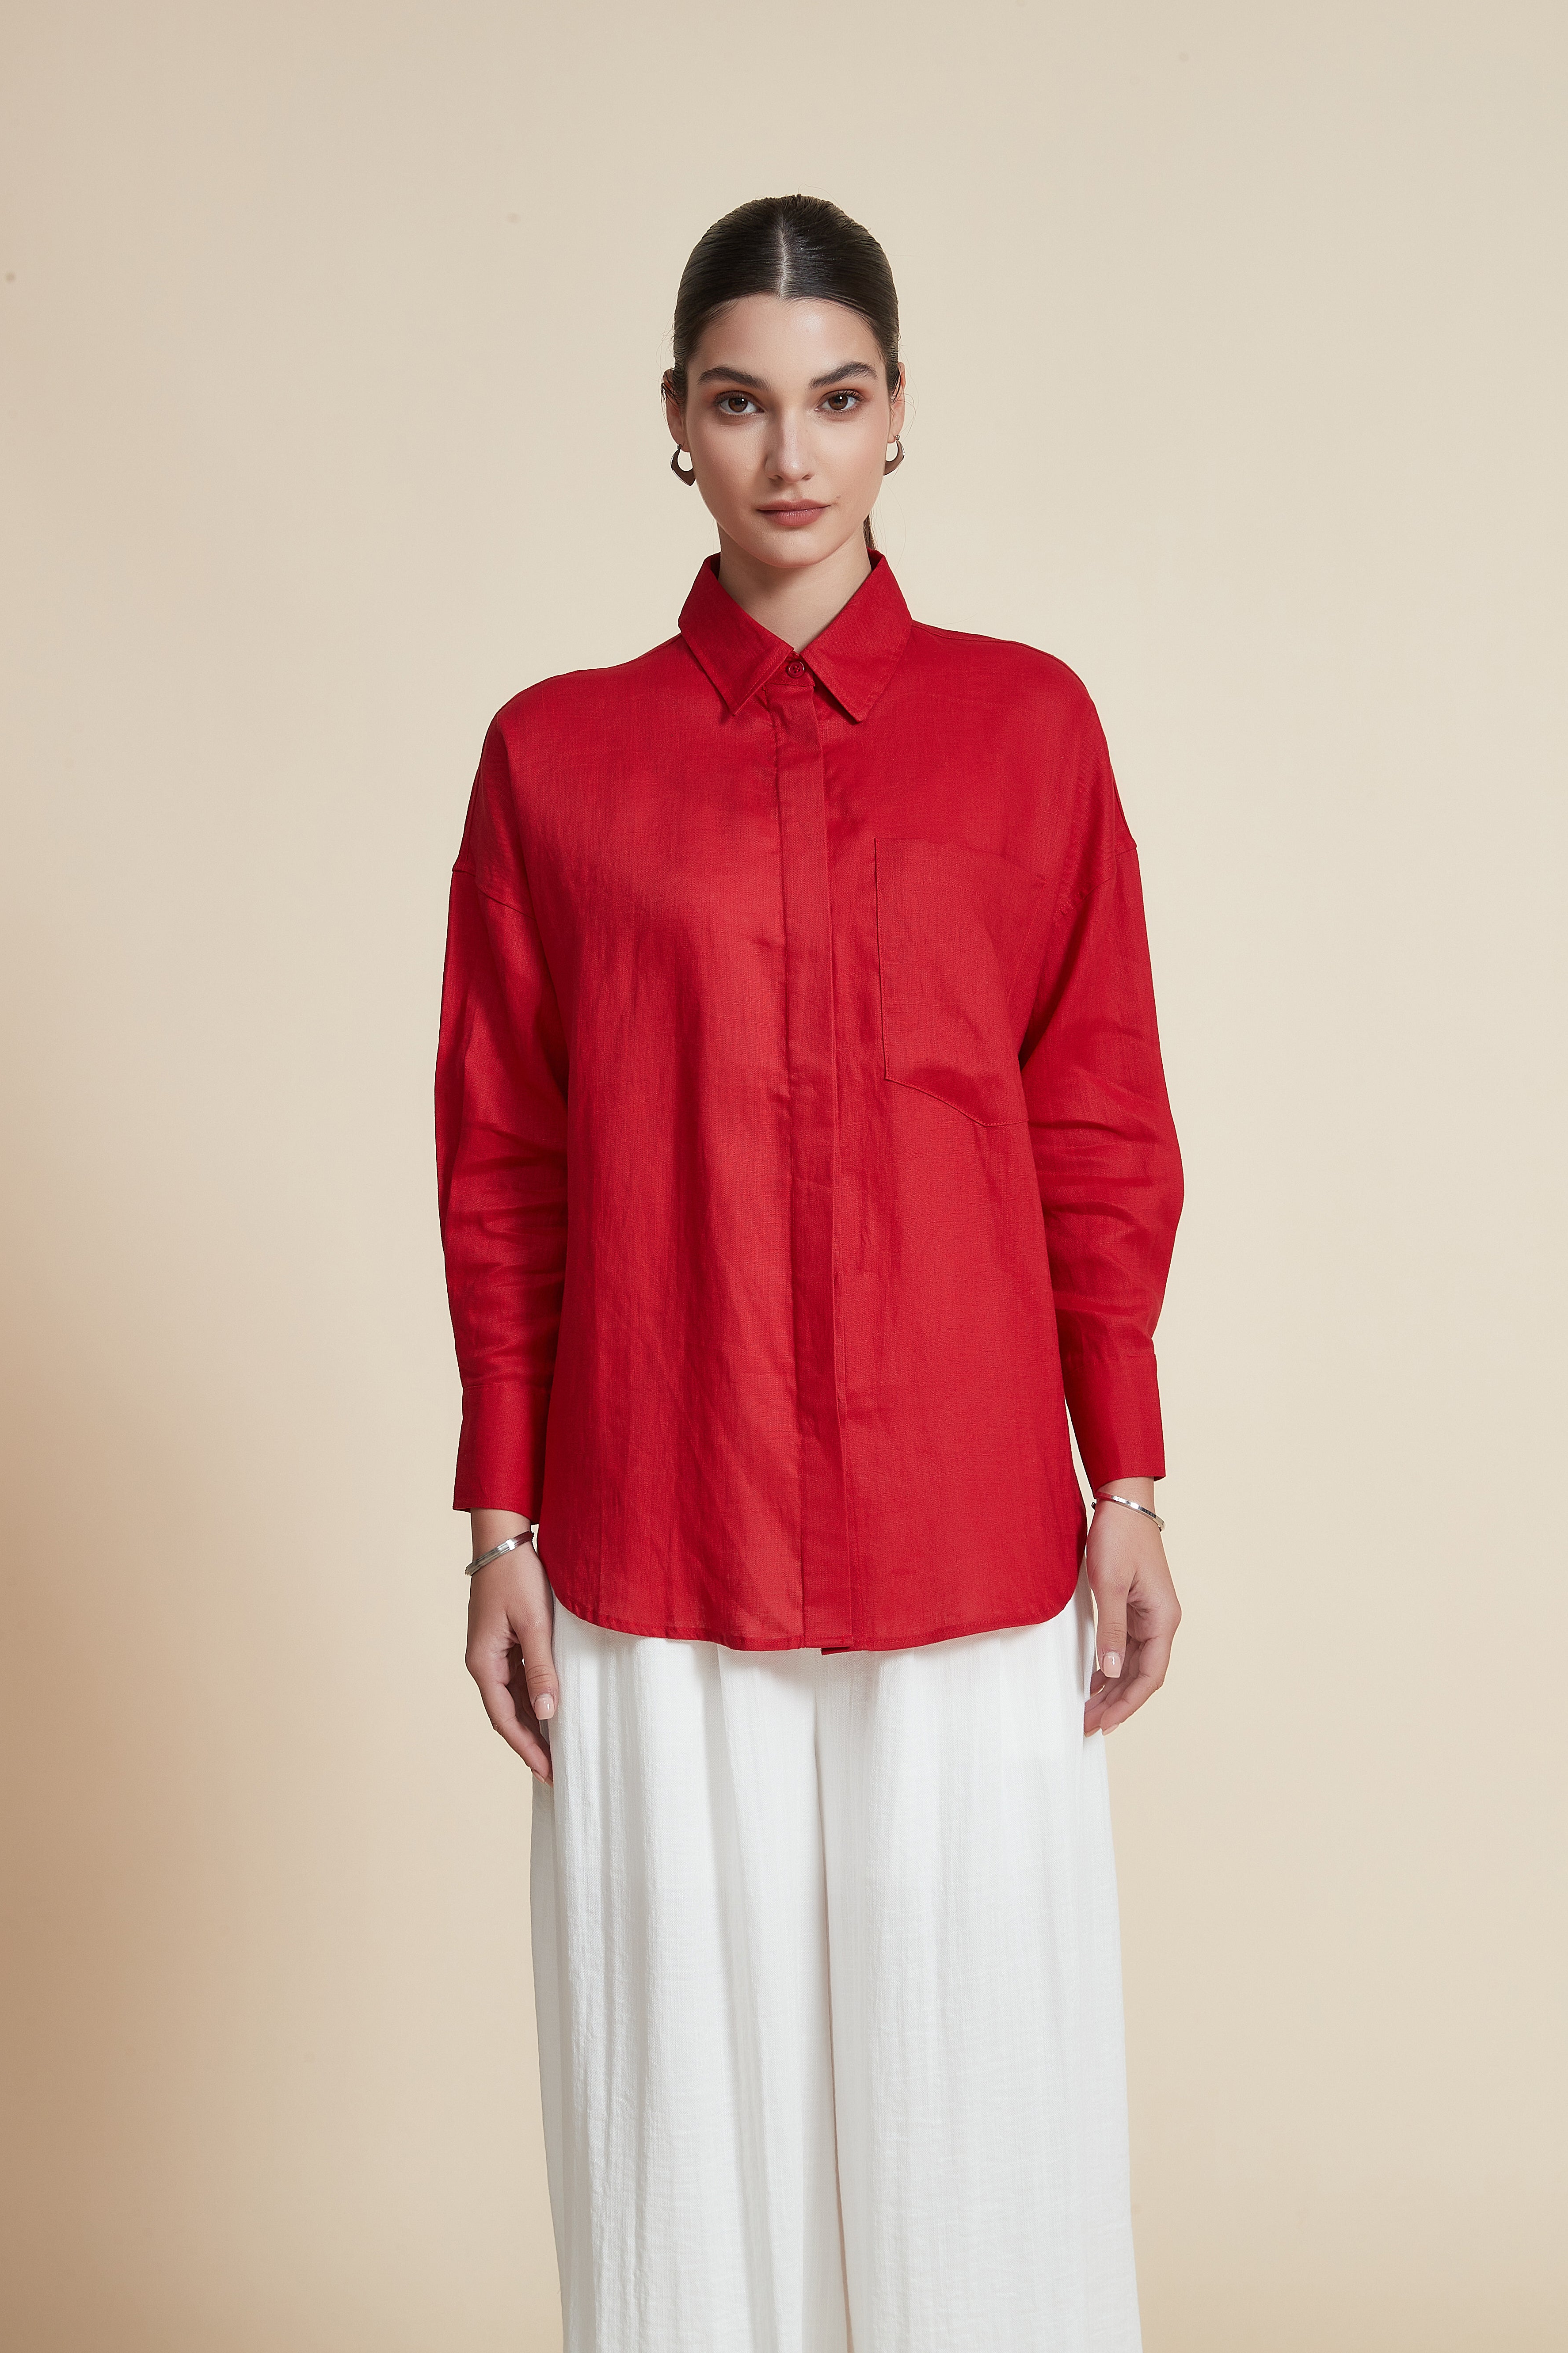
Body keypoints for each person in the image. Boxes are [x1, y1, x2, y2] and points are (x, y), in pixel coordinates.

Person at [435, 193, 1184, 2353]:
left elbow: (1094, 1124)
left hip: (968, 1528)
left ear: (897, 415)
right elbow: (505, 1162)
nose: (790, 454)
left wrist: (1126, 1477)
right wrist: (500, 1524)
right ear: (674, 422)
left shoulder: (1030, 731)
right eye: (741, 402)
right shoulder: (555, 758)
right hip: (658, 1528)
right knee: (691, 2114)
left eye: (835, 400)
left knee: (974, 2101)